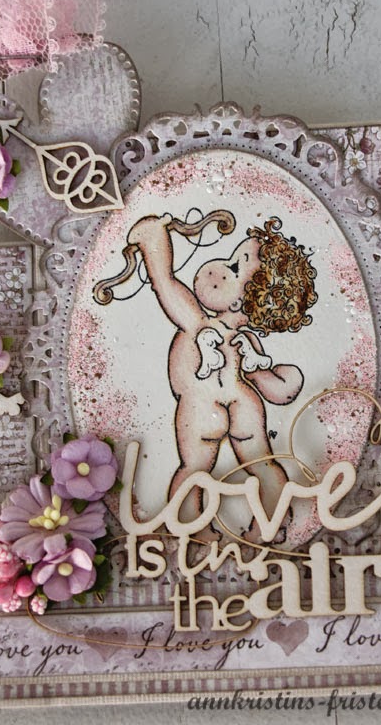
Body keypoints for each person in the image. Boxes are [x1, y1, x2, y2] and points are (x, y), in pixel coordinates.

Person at [127, 212, 318, 540]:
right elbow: (269, 383)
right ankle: (273, 524)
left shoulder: (198, 322)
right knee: (262, 464)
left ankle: (191, 530)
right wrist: (260, 372)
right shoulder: (247, 341)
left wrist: (152, 240)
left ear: (246, 300)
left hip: (202, 406)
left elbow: (165, 283)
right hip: (243, 403)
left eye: (233, 267)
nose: (219, 266)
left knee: (194, 470)